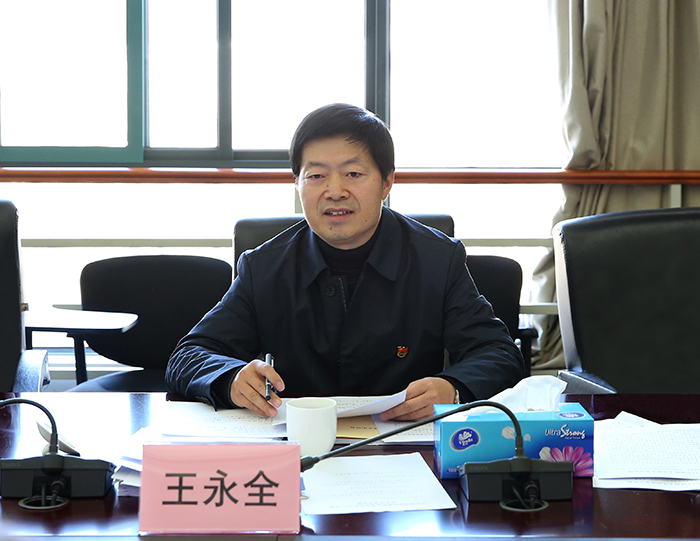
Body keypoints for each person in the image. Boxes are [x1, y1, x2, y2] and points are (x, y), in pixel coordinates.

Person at [165, 103, 525, 421]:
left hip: (403, 442)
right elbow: (190, 355)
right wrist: (230, 378)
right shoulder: (264, 267)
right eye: (316, 176)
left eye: (353, 174)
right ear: (297, 184)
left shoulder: (437, 259)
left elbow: (498, 353)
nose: (334, 191)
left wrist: (452, 388)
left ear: (387, 182)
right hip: (297, 443)